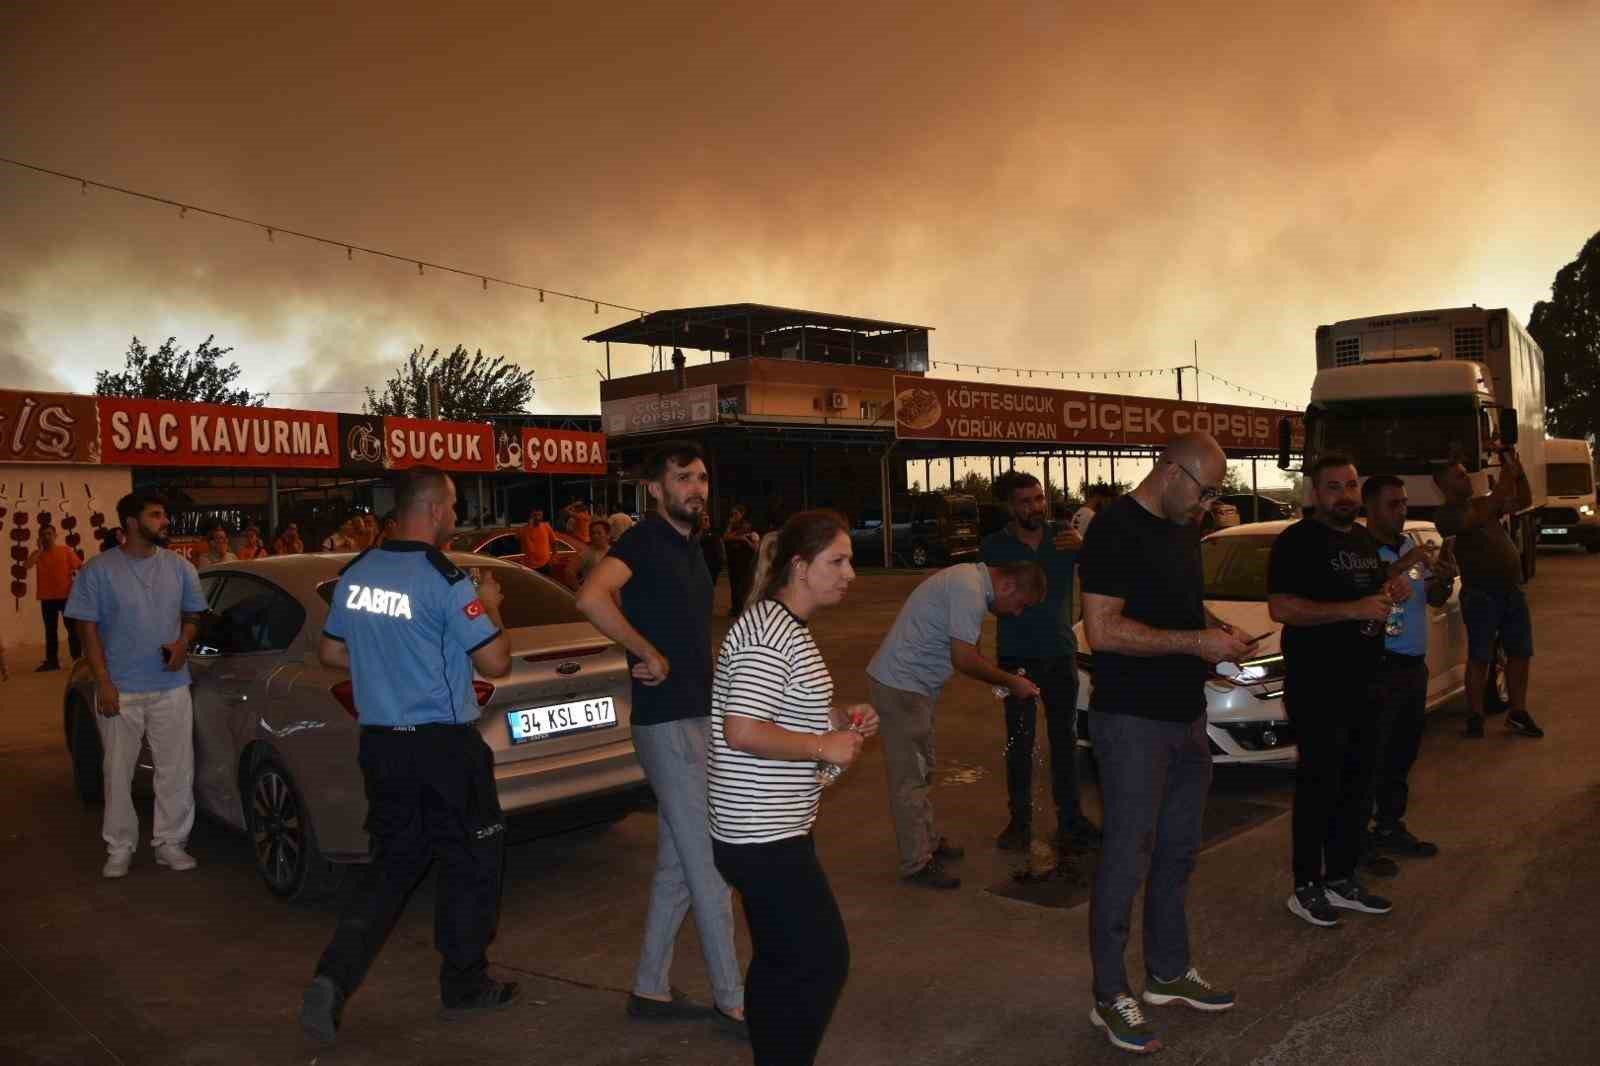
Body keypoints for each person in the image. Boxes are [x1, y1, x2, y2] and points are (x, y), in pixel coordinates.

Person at [299, 467, 517, 1044]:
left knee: (391, 867)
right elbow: (496, 665)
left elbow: (329, 650)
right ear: (434, 508)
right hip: (443, 747)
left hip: (381, 746)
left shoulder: (357, 573)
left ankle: (333, 977)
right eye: (452, 506)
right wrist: (492, 605)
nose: (456, 515)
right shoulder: (446, 581)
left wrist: (384, 667)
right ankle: (465, 982)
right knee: (472, 860)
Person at [1078, 432, 1250, 1055]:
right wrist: (1195, 645)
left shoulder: (1182, 527)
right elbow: (1103, 631)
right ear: (1170, 471)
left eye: (1214, 494)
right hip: (1130, 721)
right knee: (1128, 857)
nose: (1208, 504)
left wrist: (1217, 631)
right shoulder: (1113, 530)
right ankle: (1108, 994)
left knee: (1178, 851)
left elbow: (1182, 606)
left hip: (1185, 717)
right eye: (1203, 490)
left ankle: (1168, 972)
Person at [575, 440, 746, 1034]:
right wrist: (643, 650)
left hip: (698, 714)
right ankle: (734, 1001)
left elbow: (693, 630)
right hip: (666, 721)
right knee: (710, 864)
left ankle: (650, 989)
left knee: (679, 866)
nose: (696, 488)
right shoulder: (644, 540)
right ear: (656, 488)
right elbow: (591, 596)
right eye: (683, 478)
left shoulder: (692, 546)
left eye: (701, 477)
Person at [709, 509, 880, 1066]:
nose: (849, 573)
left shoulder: (784, 626)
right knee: (820, 960)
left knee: (781, 959)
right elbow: (742, 729)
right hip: (762, 833)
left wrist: (834, 717)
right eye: (838, 561)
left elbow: (780, 710)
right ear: (801, 567)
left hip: (769, 827)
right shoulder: (767, 634)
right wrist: (819, 747)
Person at [1268, 452, 1415, 931]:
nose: (1346, 495)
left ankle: (1343, 877)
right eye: (1334, 487)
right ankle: (1306, 885)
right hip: (1318, 684)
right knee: (1319, 785)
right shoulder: (1297, 541)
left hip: (1367, 681)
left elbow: (1373, 596)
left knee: (1358, 784)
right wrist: (1352, 610)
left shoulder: (1362, 541)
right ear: (1314, 494)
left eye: (1351, 485)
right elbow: (1282, 607)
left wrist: (1393, 592)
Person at [866, 560, 1046, 890]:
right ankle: (916, 862)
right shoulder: (970, 590)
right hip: (902, 687)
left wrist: (1001, 683)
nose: (1017, 613)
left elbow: (969, 651)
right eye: (1020, 605)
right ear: (1006, 586)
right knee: (910, 777)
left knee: (923, 768)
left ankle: (928, 841)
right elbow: (963, 659)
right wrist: (1010, 682)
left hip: (913, 687)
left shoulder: (968, 582)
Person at [64, 492, 210, 880]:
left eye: (165, 514)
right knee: (117, 771)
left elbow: (194, 615)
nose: (165, 521)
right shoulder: (98, 570)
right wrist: (103, 682)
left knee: (176, 769)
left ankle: (170, 843)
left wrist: (183, 643)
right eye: (156, 515)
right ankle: (120, 846)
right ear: (131, 522)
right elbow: (87, 629)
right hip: (120, 688)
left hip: (171, 685)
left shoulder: (181, 569)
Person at [979, 470, 1100, 855]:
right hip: (1014, 658)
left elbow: (1103, 571)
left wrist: (1085, 547)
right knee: (1020, 743)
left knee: (1065, 741)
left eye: (1039, 498)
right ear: (1010, 507)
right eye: (1026, 501)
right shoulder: (993, 547)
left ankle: (1071, 820)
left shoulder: (1064, 538)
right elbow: (985, 599)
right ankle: (1020, 823)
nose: (1036, 506)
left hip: (1061, 653)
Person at [1362, 475, 1456, 863]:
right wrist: (1407, 563)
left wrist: (1443, 579)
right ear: (1370, 508)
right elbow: (1365, 586)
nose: (1401, 511)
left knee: (1402, 753)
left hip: (1413, 665)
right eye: (1392, 504)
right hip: (1377, 667)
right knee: (1370, 756)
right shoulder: (1361, 549)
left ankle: (1389, 825)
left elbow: (1431, 596)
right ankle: (1357, 838)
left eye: (1403, 503)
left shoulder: (1408, 544)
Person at [1432, 448, 1542, 739]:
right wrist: (1507, 476)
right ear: (1442, 484)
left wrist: (1519, 473)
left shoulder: (1483, 503)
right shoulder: (1447, 515)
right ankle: (1475, 716)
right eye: (1459, 475)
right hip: (1481, 593)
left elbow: (1525, 501)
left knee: (1520, 652)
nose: (1466, 478)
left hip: (1511, 590)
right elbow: (1482, 512)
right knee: (1480, 655)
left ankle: (1517, 712)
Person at [27, 524, 84, 670]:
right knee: (50, 631)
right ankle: (52, 662)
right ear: (40, 537)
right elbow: (27, 565)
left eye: (49, 534)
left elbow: (81, 567)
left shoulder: (65, 551)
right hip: (47, 598)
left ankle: (77, 660)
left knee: (73, 631)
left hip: (66, 596)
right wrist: (39, 550)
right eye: (43, 534)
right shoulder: (37, 554)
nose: (47, 537)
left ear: (55, 535)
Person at [723, 505, 761, 618]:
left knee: (744, 586)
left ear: (742, 514)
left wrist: (743, 538)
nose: (733, 516)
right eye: (732, 513)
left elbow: (755, 546)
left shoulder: (747, 526)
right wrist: (739, 536)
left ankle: (745, 608)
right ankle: (736, 608)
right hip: (733, 561)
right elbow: (726, 537)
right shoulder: (731, 526)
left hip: (745, 562)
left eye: (736, 513)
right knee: (734, 585)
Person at [519, 508, 554, 574]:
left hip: (545, 564)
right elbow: (517, 537)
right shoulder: (524, 529)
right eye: (535, 515)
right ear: (531, 516)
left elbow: (553, 541)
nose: (537, 517)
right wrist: (529, 526)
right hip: (529, 566)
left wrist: (554, 556)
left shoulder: (546, 526)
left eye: (539, 515)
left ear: (542, 516)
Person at [698, 510, 725, 589]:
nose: (705, 518)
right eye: (703, 516)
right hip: (701, 565)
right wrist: (702, 527)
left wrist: (720, 563)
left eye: (706, 516)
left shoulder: (714, 531)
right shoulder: (696, 531)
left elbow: (720, 546)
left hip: (713, 566)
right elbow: (697, 541)